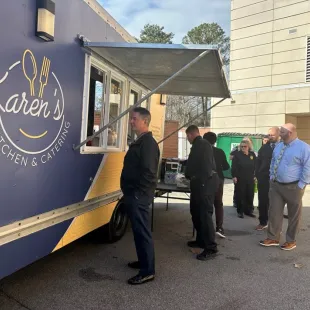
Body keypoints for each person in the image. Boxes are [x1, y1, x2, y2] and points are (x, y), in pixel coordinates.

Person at [120, 107, 160, 285]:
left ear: (144, 121)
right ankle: (143, 262)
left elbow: (150, 173)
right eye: (131, 119)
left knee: (142, 232)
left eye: (134, 118)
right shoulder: (141, 141)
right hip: (134, 194)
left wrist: (137, 194)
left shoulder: (148, 143)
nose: (131, 121)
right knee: (137, 231)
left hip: (139, 196)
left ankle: (147, 271)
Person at [260, 123, 310, 251]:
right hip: (276, 185)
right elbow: (273, 161)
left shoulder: (303, 148)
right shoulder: (279, 146)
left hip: (294, 187)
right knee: (274, 212)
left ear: (289, 133)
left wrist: (301, 184)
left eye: (281, 132)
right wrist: (272, 176)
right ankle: (273, 238)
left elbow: (307, 167)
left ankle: (290, 240)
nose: (278, 134)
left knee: (294, 215)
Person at [185, 125, 219, 261]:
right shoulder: (198, 144)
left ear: (190, 135)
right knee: (196, 212)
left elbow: (206, 166)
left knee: (205, 215)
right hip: (199, 184)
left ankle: (211, 247)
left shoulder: (203, 144)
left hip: (205, 185)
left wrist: (203, 183)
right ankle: (200, 240)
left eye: (188, 136)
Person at [203, 132, 230, 238]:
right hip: (219, 179)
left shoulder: (203, 151)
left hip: (207, 180)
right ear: (215, 141)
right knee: (218, 203)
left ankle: (207, 228)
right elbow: (226, 167)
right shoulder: (220, 151)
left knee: (207, 204)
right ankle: (219, 227)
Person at [255, 127, 280, 230]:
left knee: (276, 202)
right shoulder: (264, 148)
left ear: (278, 134)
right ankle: (263, 221)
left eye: (272, 135)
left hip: (279, 179)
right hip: (264, 178)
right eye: (268, 135)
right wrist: (257, 175)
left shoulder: (283, 147)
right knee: (263, 200)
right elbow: (258, 162)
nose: (270, 137)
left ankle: (275, 224)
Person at [231, 140, 256, 218]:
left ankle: (248, 211)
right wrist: (234, 176)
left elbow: (256, 165)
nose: (243, 148)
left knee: (250, 194)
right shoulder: (237, 155)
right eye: (241, 146)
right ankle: (240, 211)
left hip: (250, 178)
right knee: (241, 195)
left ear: (248, 147)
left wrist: (255, 175)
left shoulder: (252, 155)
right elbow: (234, 167)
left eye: (244, 146)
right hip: (240, 178)